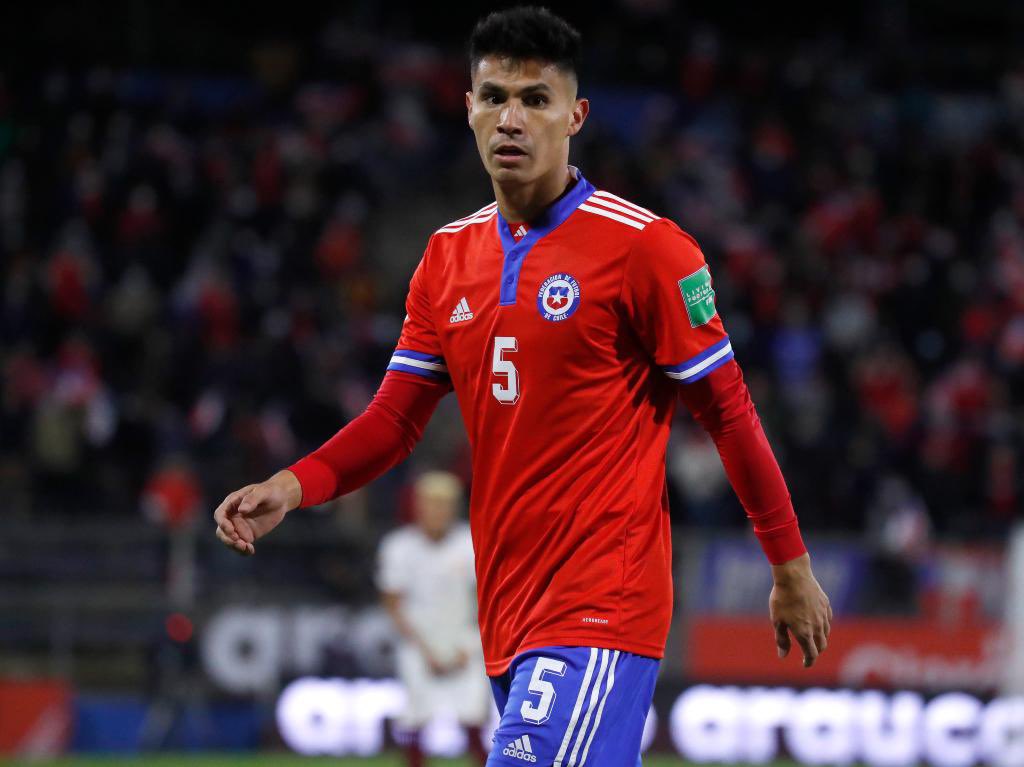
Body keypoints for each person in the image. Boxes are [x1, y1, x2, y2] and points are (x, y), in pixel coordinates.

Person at [213, 7, 832, 765]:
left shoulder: (646, 249)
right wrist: (290, 486)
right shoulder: (447, 258)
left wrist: (789, 565)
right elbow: (394, 420)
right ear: (468, 108)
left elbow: (729, 413)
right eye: (494, 97)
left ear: (575, 116)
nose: (511, 118)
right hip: (508, 613)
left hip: (601, 604)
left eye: (536, 99)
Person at [377, 471, 490, 767]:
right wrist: (423, 649)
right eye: (431, 503)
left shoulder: (471, 543)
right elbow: (393, 604)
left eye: (444, 503)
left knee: (474, 720)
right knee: (415, 721)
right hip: (418, 644)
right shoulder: (399, 546)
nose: (437, 510)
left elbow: (487, 599)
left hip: (464, 643)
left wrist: (470, 644)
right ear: (418, 506)